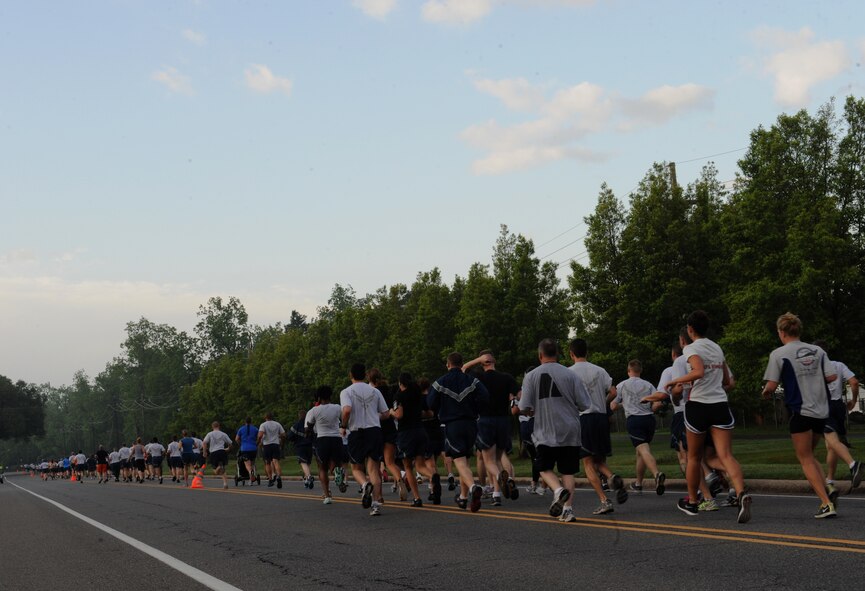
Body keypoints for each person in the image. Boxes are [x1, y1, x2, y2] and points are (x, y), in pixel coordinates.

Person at [667, 310, 751, 523]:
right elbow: (726, 380)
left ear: (690, 329)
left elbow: (698, 372)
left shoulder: (691, 348)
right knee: (726, 455)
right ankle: (741, 493)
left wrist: (676, 382)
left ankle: (693, 502)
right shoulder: (717, 347)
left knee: (693, 457)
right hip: (720, 404)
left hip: (699, 405)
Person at [761, 313, 843, 518]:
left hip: (801, 410)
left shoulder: (778, 354)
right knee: (810, 454)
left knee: (804, 457)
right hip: (822, 410)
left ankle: (826, 503)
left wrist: (765, 392)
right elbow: (832, 376)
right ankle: (827, 487)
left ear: (781, 332)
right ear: (799, 330)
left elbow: (771, 385)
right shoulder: (818, 351)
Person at [518, 339, 590, 523]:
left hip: (545, 429)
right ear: (557, 354)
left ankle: (557, 491)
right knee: (568, 471)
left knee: (543, 467)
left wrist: (532, 409)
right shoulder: (570, 374)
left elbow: (524, 406)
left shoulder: (531, 376)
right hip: (570, 428)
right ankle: (568, 510)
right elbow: (585, 404)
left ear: (540, 355)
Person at [569, 338, 627, 514]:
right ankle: (612, 476)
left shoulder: (569, 373)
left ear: (571, 354)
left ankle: (604, 500)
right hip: (600, 417)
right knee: (599, 459)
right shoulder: (599, 370)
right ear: (587, 352)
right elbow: (614, 392)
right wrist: (603, 402)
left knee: (587, 462)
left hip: (583, 418)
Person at [428, 353, 489, 512]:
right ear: (461, 364)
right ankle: (462, 497)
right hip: (471, 424)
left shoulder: (440, 382)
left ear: (448, 365)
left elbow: (430, 402)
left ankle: (473, 487)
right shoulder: (472, 380)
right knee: (465, 461)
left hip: (452, 424)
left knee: (460, 461)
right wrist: (475, 408)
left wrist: (441, 409)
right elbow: (485, 396)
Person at [464, 350, 520, 506]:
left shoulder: (478, 377)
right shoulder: (507, 378)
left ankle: (506, 479)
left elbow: (462, 369)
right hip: (503, 420)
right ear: (494, 361)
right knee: (499, 457)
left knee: (488, 460)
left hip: (485, 420)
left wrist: (477, 360)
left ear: (482, 363)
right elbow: (519, 395)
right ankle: (497, 493)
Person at [341, 363, 391, 516]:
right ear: (364, 375)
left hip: (357, 432)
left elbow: (347, 410)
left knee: (356, 468)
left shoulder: (346, 391)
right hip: (374, 431)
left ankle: (364, 484)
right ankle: (375, 505)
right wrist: (375, 417)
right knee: (374, 469)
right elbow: (386, 413)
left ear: (351, 375)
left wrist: (343, 425)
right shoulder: (374, 391)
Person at [813, 340, 862, 494]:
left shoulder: (813, 368)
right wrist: (853, 400)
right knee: (831, 445)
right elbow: (854, 382)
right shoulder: (839, 365)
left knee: (832, 441)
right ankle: (830, 481)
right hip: (838, 407)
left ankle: (853, 464)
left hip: (823, 406)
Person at [612, 360, 665, 495]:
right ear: (640, 370)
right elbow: (657, 404)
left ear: (628, 370)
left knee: (643, 449)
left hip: (634, 420)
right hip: (649, 420)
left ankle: (657, 474)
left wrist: (624, 404)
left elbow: (612, 406)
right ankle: (638, 483)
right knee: (640, 452)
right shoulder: (649, 385)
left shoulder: (622, 385)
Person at [391, 372, 441, 506]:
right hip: (420, 431)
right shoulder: (417, 395)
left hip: (406, 433)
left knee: (408, 467)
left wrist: (391, 412)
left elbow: (399, 414)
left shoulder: (399, 396)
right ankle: (433, 476)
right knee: (420, 465)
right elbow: (429, 413)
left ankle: (417, 498)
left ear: (401, 383)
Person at [369, 368, 406, 501]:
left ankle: (379, 496)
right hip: (390, 427)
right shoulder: (390, 390)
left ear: (370, 380)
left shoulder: (372, 393)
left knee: (376, 464)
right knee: (390, 462)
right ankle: (399, 479)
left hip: (377, 428)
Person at [305, 386, 344, 504]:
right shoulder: (338, 408)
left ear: (319, 397)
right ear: (330, 396)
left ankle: (327, 496)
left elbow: (308, 428)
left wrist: (309, 431)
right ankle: (337, 472)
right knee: (336, 463)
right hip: (336, 438)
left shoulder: (314, 410)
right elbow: (345, 419)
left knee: (322, 468)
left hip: (322, 439)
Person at [258, 412, 286, 489]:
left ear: (265, 417)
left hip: (267, 445)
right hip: (276, 444)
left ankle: (270, 479)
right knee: (276, 461)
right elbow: (283, 435)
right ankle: (279, 477)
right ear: (272, 417)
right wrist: (280, 441)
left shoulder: (263, 425)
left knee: (267, 462)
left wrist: (258, 442)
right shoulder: (277, 424)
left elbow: (260, 435)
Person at [202, 421, 233, 489]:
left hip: (214, 452)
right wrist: (228, 449)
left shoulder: (209, 434)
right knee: (223, 469)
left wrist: (204, 452)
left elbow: (204, 443)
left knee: (215, 470)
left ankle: (219, 467)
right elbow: (230, 443)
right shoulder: (223, 434)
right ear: (219, 426)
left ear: (212, 427)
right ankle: (225, 483)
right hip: (222, 451)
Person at [288, 410, 315, 489]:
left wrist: (294, 440)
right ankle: (306, 480)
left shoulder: (296, 425)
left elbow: (289, 436)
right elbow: (314, 435)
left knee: (303, 463)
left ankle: (309, 477)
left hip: (300, 447)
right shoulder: (310, 425)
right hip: (310, 446)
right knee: (308, 463)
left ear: (299, 416)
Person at [235, 417, 260, 485]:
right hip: (253, 448)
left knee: (247, 464)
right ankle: (252, 476)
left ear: (245, 422)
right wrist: (256, 443)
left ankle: (250, 473)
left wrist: (241, 444)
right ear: (251, 421)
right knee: (252, 463)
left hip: (245, 448)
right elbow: (259, 437)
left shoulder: (241, 429)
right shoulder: (255, 429)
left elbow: (236, 439)